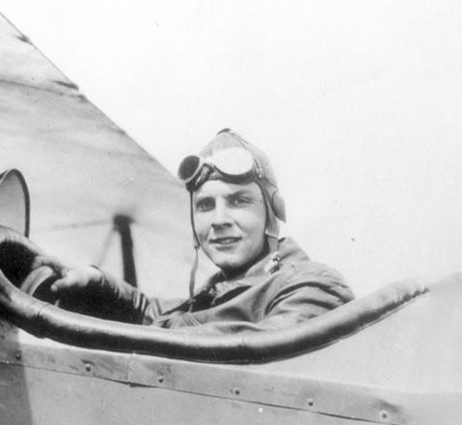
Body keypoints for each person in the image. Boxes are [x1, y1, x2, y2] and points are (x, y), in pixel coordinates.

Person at [41, 128, 354, 333]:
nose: (219, 220)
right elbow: (152, 312)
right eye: (205, 206)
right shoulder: (218, 290)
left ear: (272, 213)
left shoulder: (310, 285)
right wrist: (99, 287)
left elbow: (260, 348)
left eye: (239, 201)